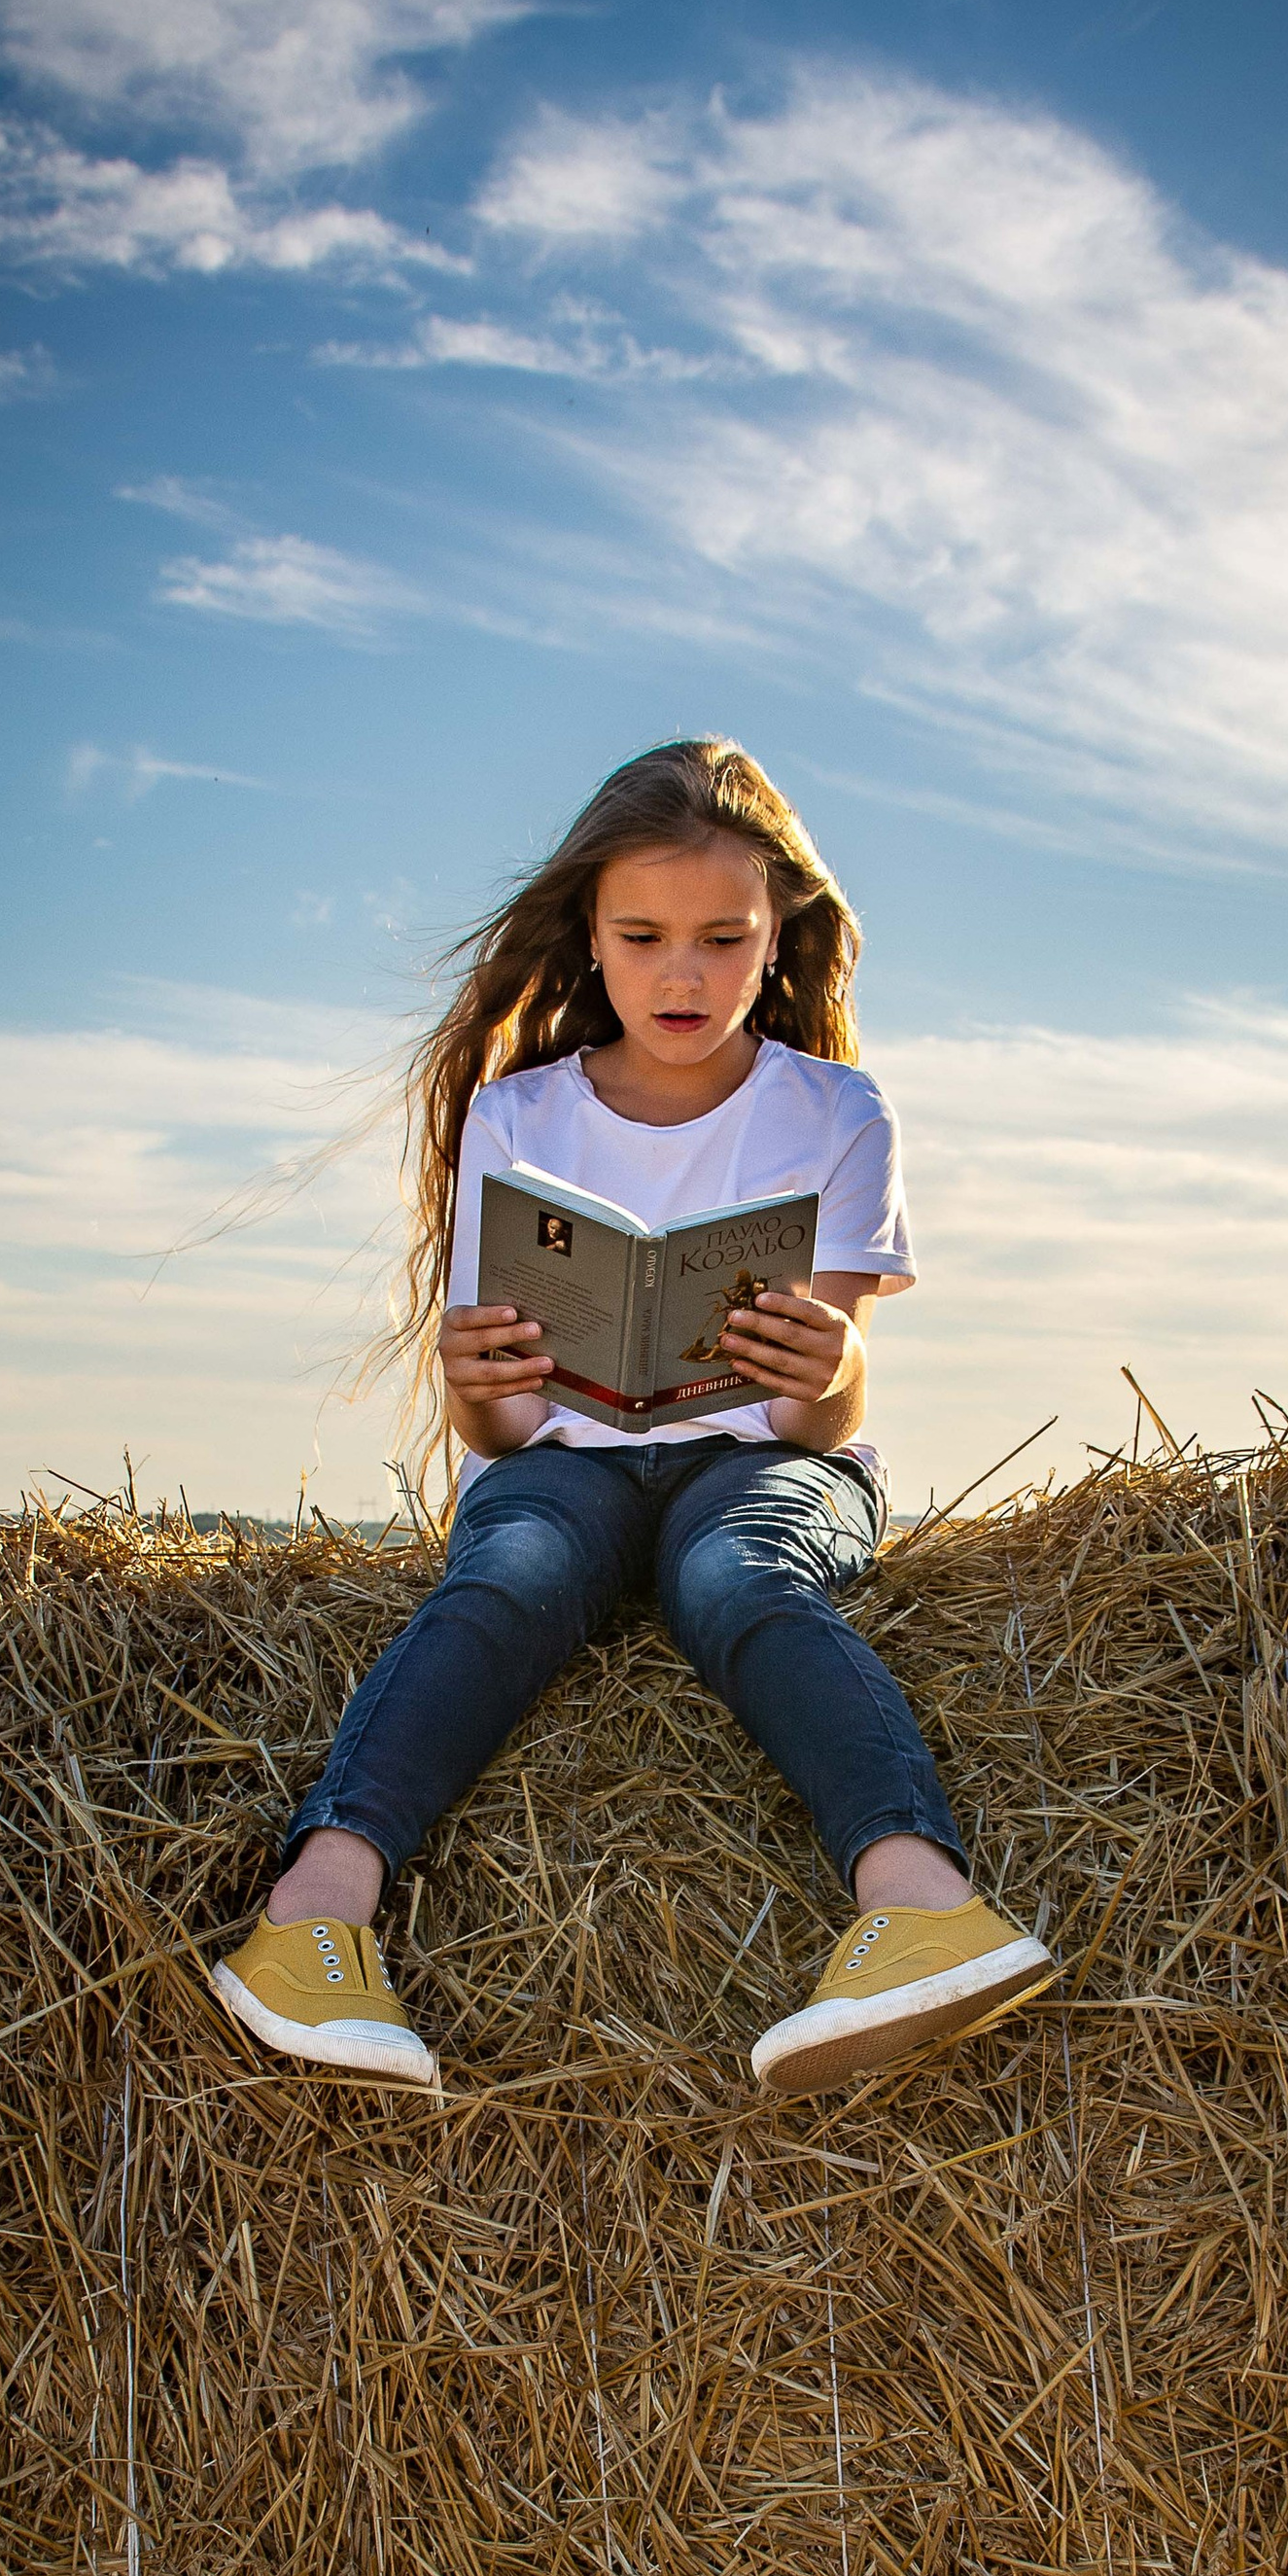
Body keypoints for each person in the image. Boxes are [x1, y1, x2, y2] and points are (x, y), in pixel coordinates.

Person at [210, 737, 1055, 2100]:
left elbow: (828, 1405)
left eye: (724, 939)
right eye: (645, 936)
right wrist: (477, 1394)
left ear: (779, 937)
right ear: (590, 938)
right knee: (512, 1568)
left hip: (763, 1454)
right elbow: (504, 1435)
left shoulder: (839, 1112)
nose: (683, 973)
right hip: (574, 1462)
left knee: (741, 1571)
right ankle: (315, 1920)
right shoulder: (517, 1112)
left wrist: (824, 1357)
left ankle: (922, 1902)